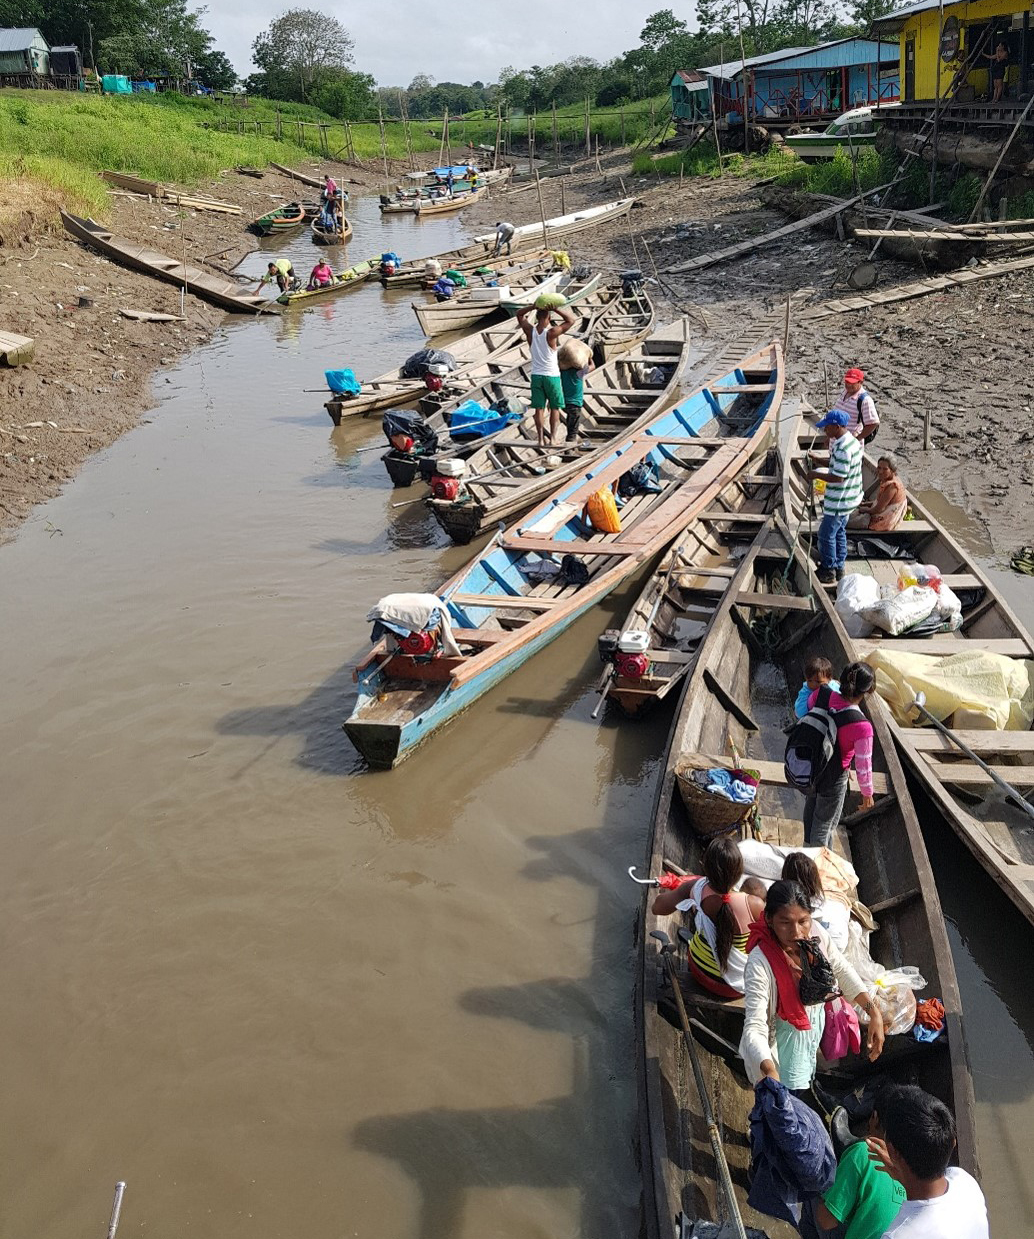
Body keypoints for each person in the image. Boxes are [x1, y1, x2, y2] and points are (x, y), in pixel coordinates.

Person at [740, 880, 885, 1105]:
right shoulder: (760, 963)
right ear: (769, 919)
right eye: (785, 922)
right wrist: (769, 1070)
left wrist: (872, 1011)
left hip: (809, 1033)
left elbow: (840, 969)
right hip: (778, 1050)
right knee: (782, 1098)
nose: (796, 932)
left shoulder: (817, 935)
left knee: (800, 1085)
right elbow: (755, 1026)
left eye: (803, 921)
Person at [652, 836, 767, 998]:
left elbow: (657, 908)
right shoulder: (754, 905)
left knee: (700, 919)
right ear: (739, 871)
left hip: (699, 972)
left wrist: (688, 896)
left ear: (705, 866)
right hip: (736, 987)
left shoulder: (696, 888)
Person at [867, 1085, 989, 1238]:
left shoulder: (898, 1235)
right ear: (952, 1143)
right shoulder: (966, 1184)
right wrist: (901, 1172)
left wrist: (902, 1170)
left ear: (891, 1150)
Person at [800, 1084, 906, 1239]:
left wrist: (828, 1193)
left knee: (813, 1192)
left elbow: (826, 1221)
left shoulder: (864, 1152)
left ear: (874, 1117)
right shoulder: (915, 1170)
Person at [802, 662, 876, 848]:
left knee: (812, 810)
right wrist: (867, 794)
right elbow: (863, 766)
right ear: (866, 691)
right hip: (834, 776)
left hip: (812, 766)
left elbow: (808, 712)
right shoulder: (862, 727)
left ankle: (809, 849)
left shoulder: (820, 694)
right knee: (824, 824)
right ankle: (815, 861)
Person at [808, 409, 864, 584]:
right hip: (849, 498)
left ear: (837, 426)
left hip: (840, 500)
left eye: (827, 427)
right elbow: (835, 464)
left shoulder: (843, 449)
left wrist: (815, 475)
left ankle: (828, 570)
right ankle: (839, 566)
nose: (825, 430)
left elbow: (838, 477)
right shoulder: (850, 442)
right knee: (839, 532)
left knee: (825, 535)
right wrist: (818, 460)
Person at [516, 302, 577, 447]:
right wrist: (555, 308)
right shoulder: (551, 333)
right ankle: (553, 439)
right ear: (548, 318)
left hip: (536, 376)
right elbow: (571, 321)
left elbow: (519, 314)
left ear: (537, 317)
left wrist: (532, 306)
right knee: (555, 408)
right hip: (551, 376)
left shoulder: (530, 331)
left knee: (539, 408)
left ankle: (540, 439)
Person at [850, 457, 907, 533]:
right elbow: (881, 502)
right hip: (879, 513)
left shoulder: (892, 486)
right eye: (879, 468)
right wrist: (864, 504)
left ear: (892, 470)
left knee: (845, 521)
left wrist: (864, 509)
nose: (880, 471)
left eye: (885, 469)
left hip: (883, 521)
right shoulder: (888, 480)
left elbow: (878, 509)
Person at [834, 368, 880, 444]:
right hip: (835, 443)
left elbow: (873, 423)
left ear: (861, 382)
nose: (848, 385)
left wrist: (858, 438)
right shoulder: (844, 392)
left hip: (849, 446)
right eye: (847, 382)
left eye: (852, 383)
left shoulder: (865, 400)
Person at [559, 353, 595, 443]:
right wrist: (589, 357)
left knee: (570, 422)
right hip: (575, 404)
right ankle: (570, 446)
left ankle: (569, 443)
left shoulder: (562, 371)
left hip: (564, 403)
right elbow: (593, 366)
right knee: (573, 430)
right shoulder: (579, 372)